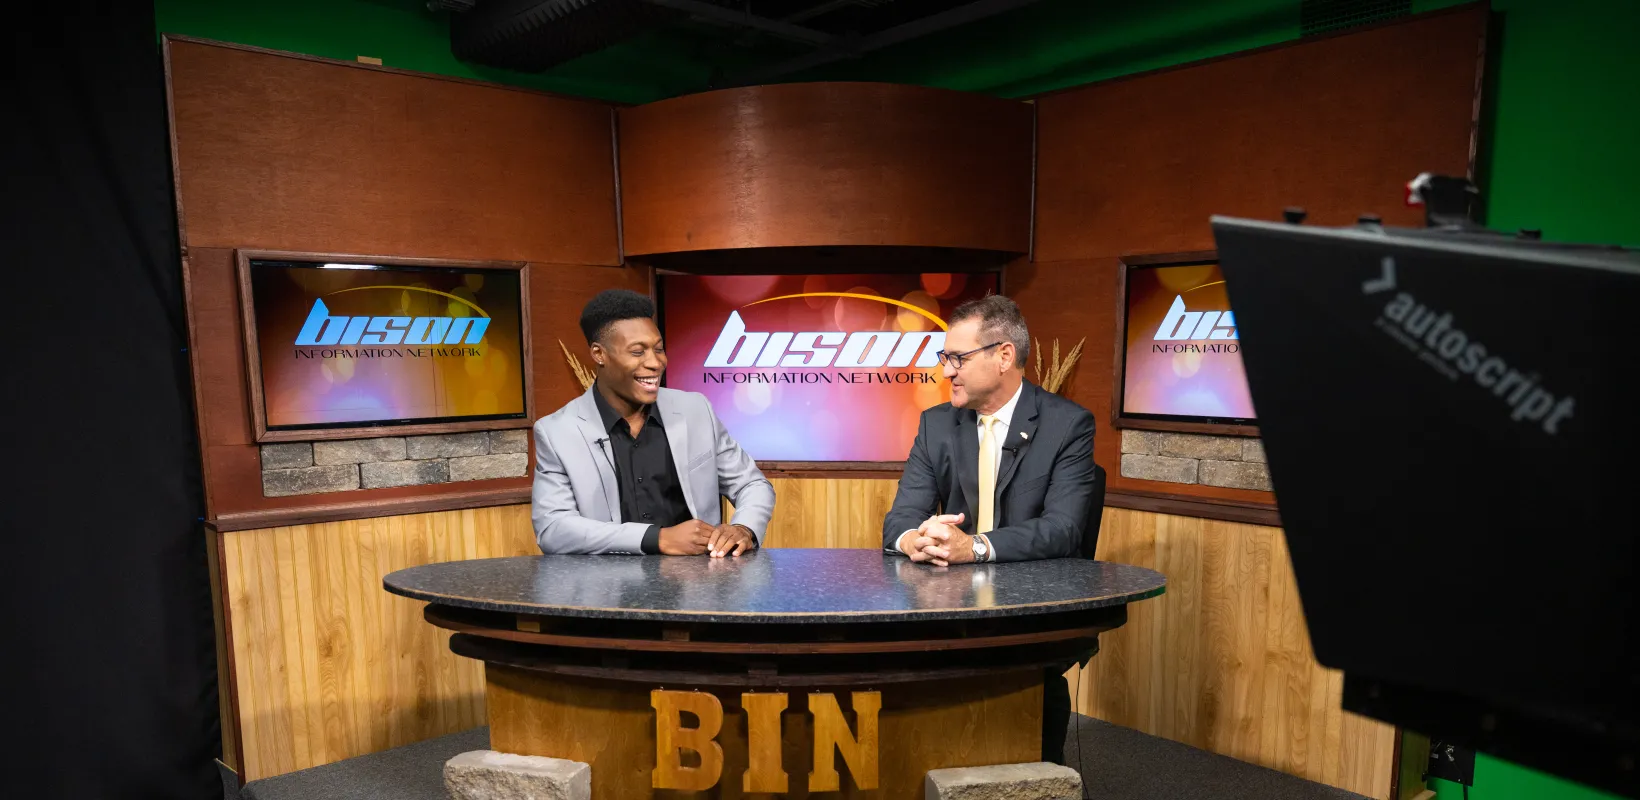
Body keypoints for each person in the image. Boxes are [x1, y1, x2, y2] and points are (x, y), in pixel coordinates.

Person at [881, 294, 1101, 765]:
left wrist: (975, 547)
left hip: (1030, 607)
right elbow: (898, 519)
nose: (946, 372)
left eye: (957, 358)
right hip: (948, 605)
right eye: (945, 359)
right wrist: (915, 539)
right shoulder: (936, 424)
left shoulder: (1067, 425)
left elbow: (1064, 530)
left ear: (1004, 356)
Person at [532, 289, 775, 556]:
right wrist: (656, 538)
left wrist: (744, 527)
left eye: (658, 349)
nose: (656, 362)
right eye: (638, 352)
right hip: (608, 590)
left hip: (699, 588)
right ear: (599, 354)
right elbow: (553, 529)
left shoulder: (695, 410)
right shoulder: (557, 431)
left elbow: (751, 484)